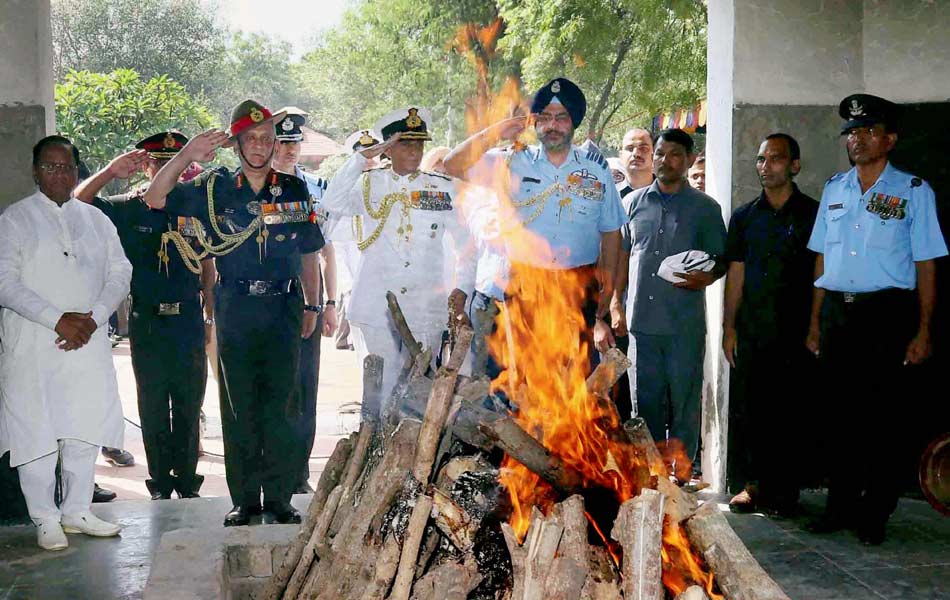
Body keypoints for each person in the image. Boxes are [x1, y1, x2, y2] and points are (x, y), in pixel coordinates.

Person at [144, 100, 325, 527]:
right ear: (237, 144)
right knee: (239, 404)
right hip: (237, 306)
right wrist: (187, 154)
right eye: (251, 139)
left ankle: (280, 497)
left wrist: (314, 304)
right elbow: (155, 197)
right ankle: (245, 499)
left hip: (284, 305)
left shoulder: (293, 188)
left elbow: (309, 253)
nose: (260, 146)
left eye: (266, 138)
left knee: (281, 403)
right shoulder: (214, 188)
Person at [805, 94, 947, 544]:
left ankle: (875, 513)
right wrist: (814, 322)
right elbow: (821, 260)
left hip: (887, 314)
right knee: (837, 416)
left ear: (889, 139)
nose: (857, 140)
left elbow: (926, 263)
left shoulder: (913, 191)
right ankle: (840, 506)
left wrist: (924, 330)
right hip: (838, 315)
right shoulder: (834, 189)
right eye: (852, 132)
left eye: (868, 132)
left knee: (884, 420)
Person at [443, 77, 625, 382]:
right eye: (545, 117)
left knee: (574, 381)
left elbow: (611, 231)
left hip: (579, 287)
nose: (553, 125)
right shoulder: (511, 162)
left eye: (561, 117)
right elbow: (452, 164)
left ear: (573, 123)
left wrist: (608, 287)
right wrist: (495, 133)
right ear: (534, 123)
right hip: (526, 285)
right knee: (525, 382)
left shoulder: (596, 169)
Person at [0, 136, 131, 550]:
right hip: (34, 344)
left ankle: (76, 511)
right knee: (34, 431)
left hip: (88, 341)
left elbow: (120, 271)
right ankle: (44, 518)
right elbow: (5, 283)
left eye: (68, 166)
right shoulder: (14, 220)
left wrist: (93, 318)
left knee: (84, 427)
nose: (60, 173)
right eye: (51, 166)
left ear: (77, 170)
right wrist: (57, 320)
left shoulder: (96, 220)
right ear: (36, 170)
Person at [74, 131, 211, 500]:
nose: (165, 168)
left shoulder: (192, 204)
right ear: (146, 164)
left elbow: (207, 266)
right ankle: (160, 484)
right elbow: (79, 201)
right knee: (152, 404)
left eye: (173, 160)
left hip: (188, 320)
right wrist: (109, 171)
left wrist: (211, 315)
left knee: (188, 402)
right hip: (149, 321)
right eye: (158, 161)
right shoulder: (125, 207)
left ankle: (187, 481)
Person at [321, 107, 475, 414]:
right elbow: (331, 203)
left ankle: (410, 459)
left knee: (418, 390)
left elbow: (468, 245)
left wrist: (463, 289)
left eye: (419, 144)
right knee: (379, 391)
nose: (415, 151)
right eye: (405, 144)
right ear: (389, 149)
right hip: (377, 306)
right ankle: (372, 455)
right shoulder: (368, 184)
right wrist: (360, 160)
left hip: (424, 307)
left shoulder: (441, 188)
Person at [615, 129, 726, 481]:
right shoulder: (633, 203)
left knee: (684, 402)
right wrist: (617, 306)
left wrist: (705, 277)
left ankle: (680, 475)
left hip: (683, 327)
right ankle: (647, 475)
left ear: (690, 159)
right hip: (642, 325)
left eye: (675, 154)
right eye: (660, 153)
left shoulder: (705, 209)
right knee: (644, 404)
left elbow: (721, 259)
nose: (665, 160)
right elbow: (622, 256)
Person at [722, 133, 818, 515]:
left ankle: (786, 490)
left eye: (775, 159)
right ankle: (753, 486)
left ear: (794, 165)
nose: (766, 166)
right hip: (754, 329)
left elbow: (820, 274)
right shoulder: (745, 217)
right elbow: (736, 275)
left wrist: (815, 326)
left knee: (792, 409)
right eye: (761, 160)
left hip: (797, 330)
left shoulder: (813, 213)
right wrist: (729, 328)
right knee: (752, 409)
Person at [272, 108, 338, 494]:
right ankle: (273, 469)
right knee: (274, 384)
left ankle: (298, 472)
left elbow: (325, 251)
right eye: (282, 142)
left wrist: (328, 303)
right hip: (271, 295)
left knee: (305, 385)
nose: (288, 149)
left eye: (294, 142)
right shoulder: (260, 186)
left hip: (307, 299)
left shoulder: (317, 187)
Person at [617, 128, 655, 199]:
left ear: (654, 155)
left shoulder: (671, 195)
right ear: (621, 155)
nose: (636, 153)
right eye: (630, 148)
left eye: (643, 148)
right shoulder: (609, 196)